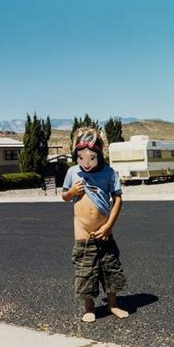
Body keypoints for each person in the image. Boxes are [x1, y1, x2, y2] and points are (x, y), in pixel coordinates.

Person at [62, 127, 129, 323]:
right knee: (85, 271)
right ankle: (89, 307)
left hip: (104, 231)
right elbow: (64, 197)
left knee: (110, 269)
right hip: (82, 232)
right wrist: (73, 191)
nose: (86, 162)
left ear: (99, 154)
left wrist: (108, 226)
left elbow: (117, 199)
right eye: (81, 157)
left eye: (91, 157)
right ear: (76, 155)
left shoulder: (108, 173)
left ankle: (113, 304)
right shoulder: (73, 172)